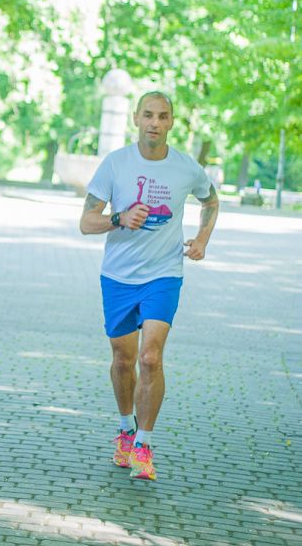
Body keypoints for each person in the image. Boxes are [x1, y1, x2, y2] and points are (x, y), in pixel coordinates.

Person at [80, 91, 219, 481]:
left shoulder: (186, 168)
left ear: (172, 121)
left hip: (164, 275)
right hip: (119, 277)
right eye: (148, 115)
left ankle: (143, 442)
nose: (155, 123)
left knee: (150, 358)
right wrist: (119, 218)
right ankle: (125, 429)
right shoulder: (115, 164)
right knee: (124, 361)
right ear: (136, 119)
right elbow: (86, 222)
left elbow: (211, 201)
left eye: (162, 116)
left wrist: (202, 239)